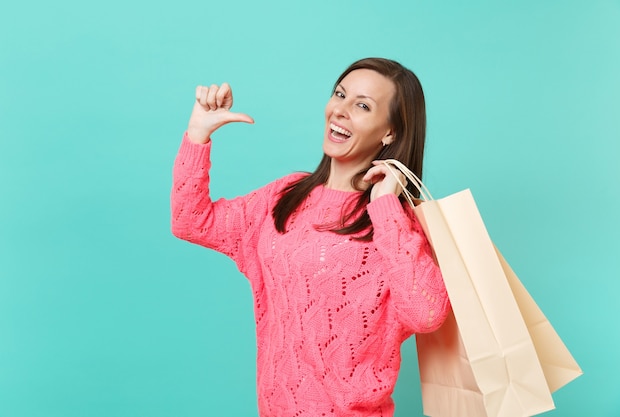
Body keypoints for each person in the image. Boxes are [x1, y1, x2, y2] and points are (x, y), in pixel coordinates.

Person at [171, 57, 450, 417]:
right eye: (340, 95)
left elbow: (426, 314)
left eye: (362, 106)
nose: (341, 111)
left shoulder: (395, 225)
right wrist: (197, 135)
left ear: (390, 133)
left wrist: (385, 207)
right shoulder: (284, 196)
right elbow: (190, 221)